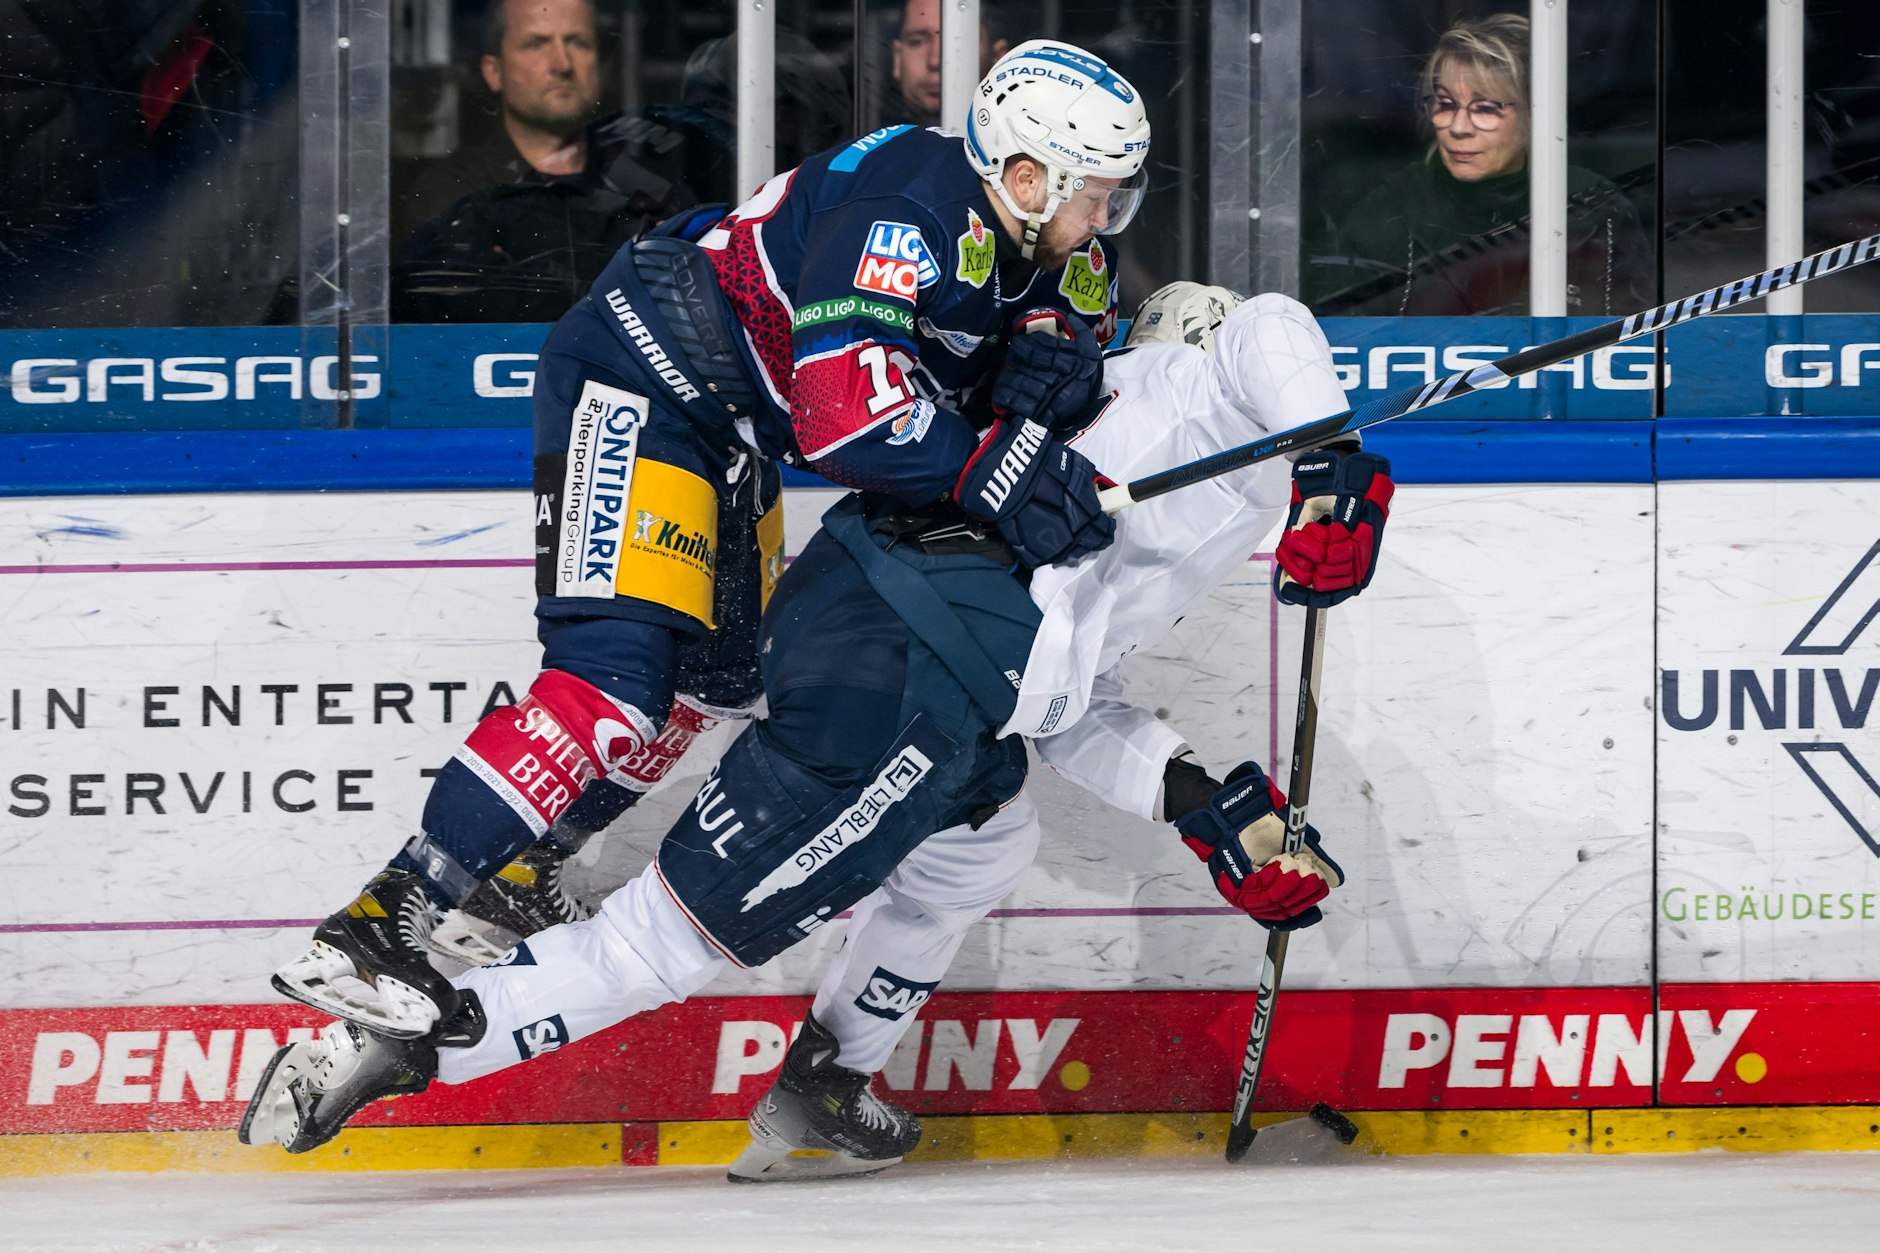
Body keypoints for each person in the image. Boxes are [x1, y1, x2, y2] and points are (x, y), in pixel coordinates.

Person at [237, 284, 1396, 1169]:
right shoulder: (1192, 386)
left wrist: (1203, 806)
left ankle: (830, 1073)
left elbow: (1063, 694)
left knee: (983, 838)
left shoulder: (1205, 495)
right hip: (906, 660)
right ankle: (408, 1042)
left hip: (930, 658)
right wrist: (1336, 461)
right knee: (661, 942)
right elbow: (1274, 326)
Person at [268, 40, 1151, 1046]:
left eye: (1119, 198)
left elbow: (1056, 364)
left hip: (730, 427)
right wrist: (998, 468)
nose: (1106, 220)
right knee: (613, 678)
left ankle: (516, 870)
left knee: (716, 681)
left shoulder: (1051, 243)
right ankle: (378, 926)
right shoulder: (904, 209)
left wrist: (1056, 395)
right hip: (639, 373)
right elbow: (845, 420)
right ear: (1024, 175)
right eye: (1096, 195)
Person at [1325, 13, 1652, 317]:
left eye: (1485, 108)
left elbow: (1636, 345)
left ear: (1535, 114)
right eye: (1446, 104)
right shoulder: (1385, 215)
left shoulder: (1595, 208)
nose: (1458, 127)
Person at [888, 0, 1013, 127]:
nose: (935, 61)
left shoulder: (1022, 142)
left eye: (960, 40)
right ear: (897, 58)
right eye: (917, 41)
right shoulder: (874, 145)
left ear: (998, 58)